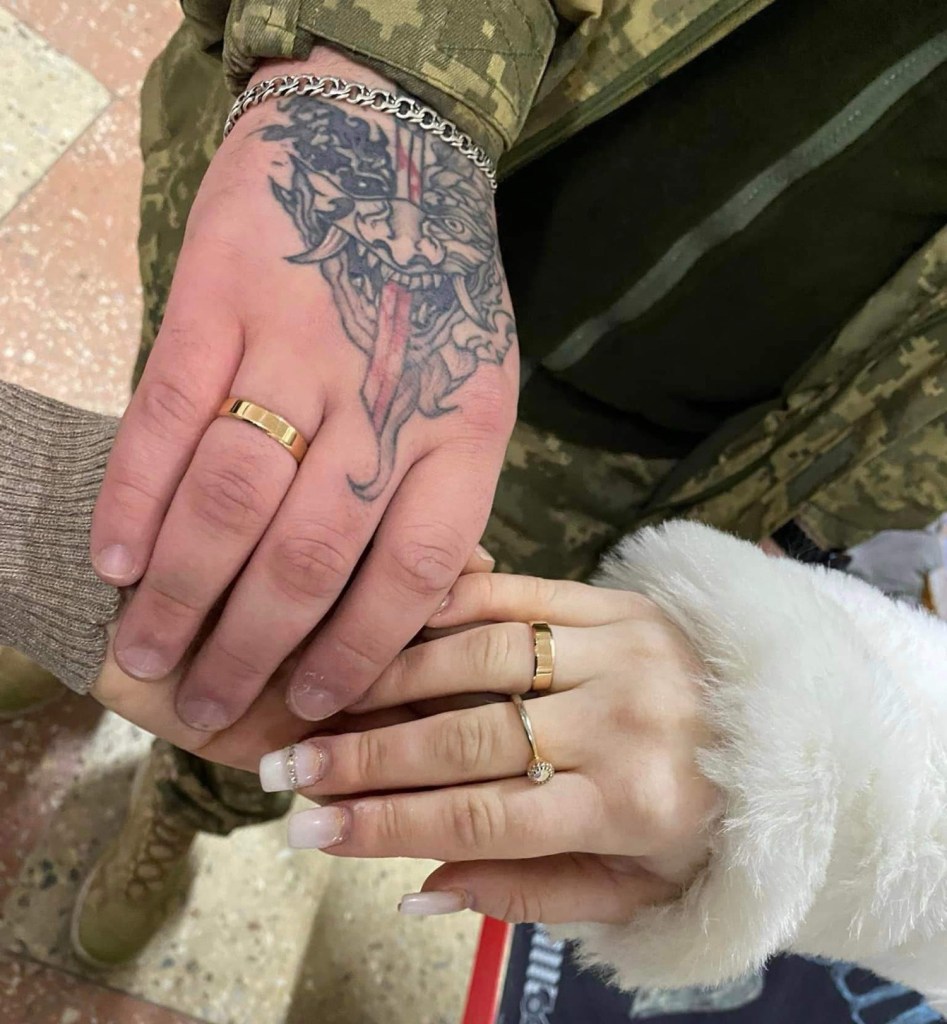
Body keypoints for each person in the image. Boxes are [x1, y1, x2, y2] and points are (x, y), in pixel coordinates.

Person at [3, 0, 947, 975]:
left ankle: (189, 801)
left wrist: (811, 531)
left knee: (335, 675)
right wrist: (392, 68)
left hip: (667, 455)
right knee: (205, 462)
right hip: (418, 161)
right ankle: (83, 592)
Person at [0, 379, 945, 1014]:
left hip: (738, 451)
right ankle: (105, 624)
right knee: (233, 521)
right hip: (454, 280)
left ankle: (177, 790)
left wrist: (831, 782)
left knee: (349, 697)